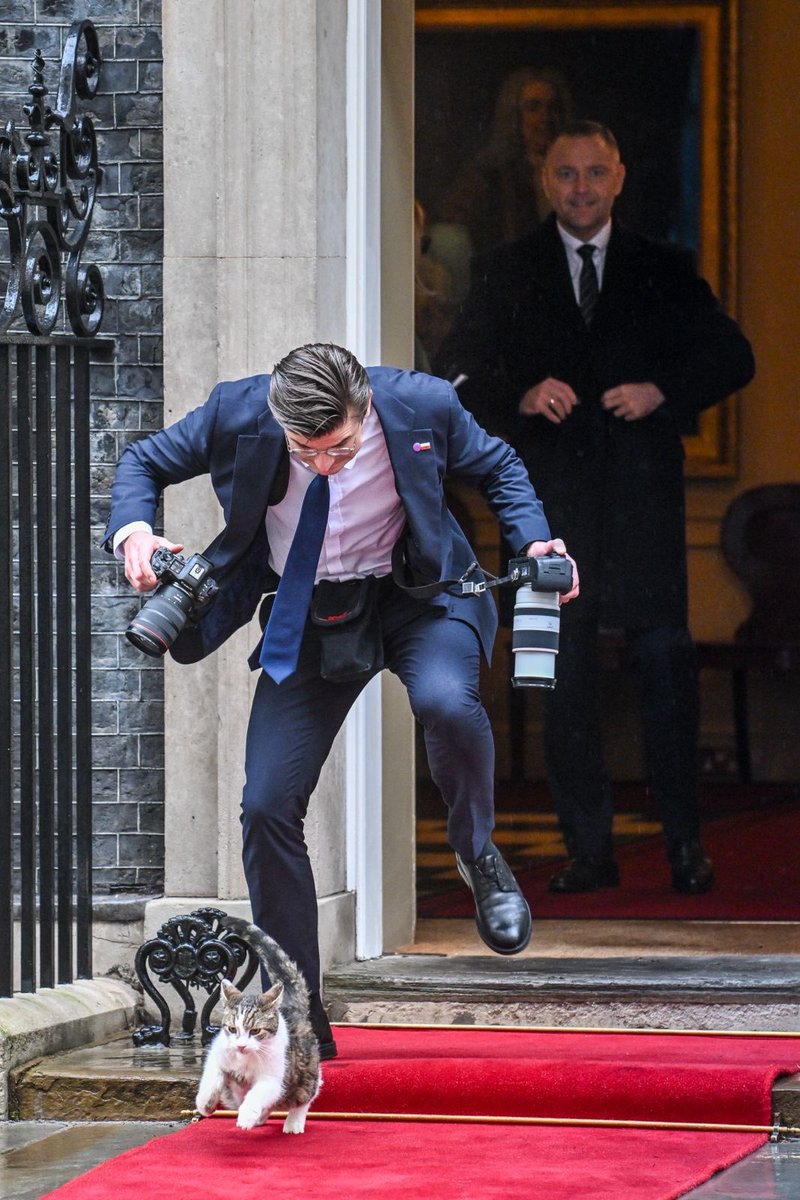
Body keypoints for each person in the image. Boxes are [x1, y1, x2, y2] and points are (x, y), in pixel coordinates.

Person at [103, 343, 579, 1058]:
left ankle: (477, 854)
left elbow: (500, 465)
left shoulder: (423, 404)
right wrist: (133, 531)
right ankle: (296, 1012)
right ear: (279, 422)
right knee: (266, 803)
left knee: (448, 703)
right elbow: (143, 460)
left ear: (367, 409)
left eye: (345, 448)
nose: (327, 464)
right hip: (315, 611)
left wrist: (536, 543)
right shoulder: (237, 410)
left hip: (420, 597)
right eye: (309, 452)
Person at [438, 121, 755, 897]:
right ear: (547, 181)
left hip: (644, 505)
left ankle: (686, 846)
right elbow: (454, 370)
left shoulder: (665, 267)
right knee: (565, 675)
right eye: (566, 174)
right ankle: (588, 851)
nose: (580, 187)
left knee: (664, 667)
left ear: (619, 179)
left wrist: (662, 392)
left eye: (595, 173)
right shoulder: (505, 269)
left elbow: (732, 356)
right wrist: (519, 394)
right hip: (548, 511)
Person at [440, 66, 573, 258]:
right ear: (515, 116)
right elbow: (451, 227)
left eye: (553, 107)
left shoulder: (579, 172)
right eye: (534, 107)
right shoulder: (489, 173)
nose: (546, 117)